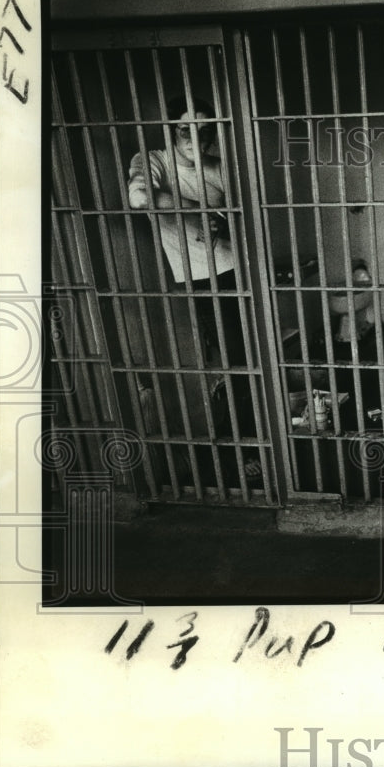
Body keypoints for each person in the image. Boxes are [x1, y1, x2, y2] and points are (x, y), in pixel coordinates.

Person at [128, 95, 259, 486]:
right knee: (206, 364)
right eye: (185, 129)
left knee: (245, 362)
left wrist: (225, 224)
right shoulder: (151, 160)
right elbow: (139, 197)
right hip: (194, 278)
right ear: (170, 130)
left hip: (237, 271)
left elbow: (248, 219)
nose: (194, 137)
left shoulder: (219, 168)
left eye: (204, 130)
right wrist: (203, 211)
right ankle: (222, 443)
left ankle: (250, 446)